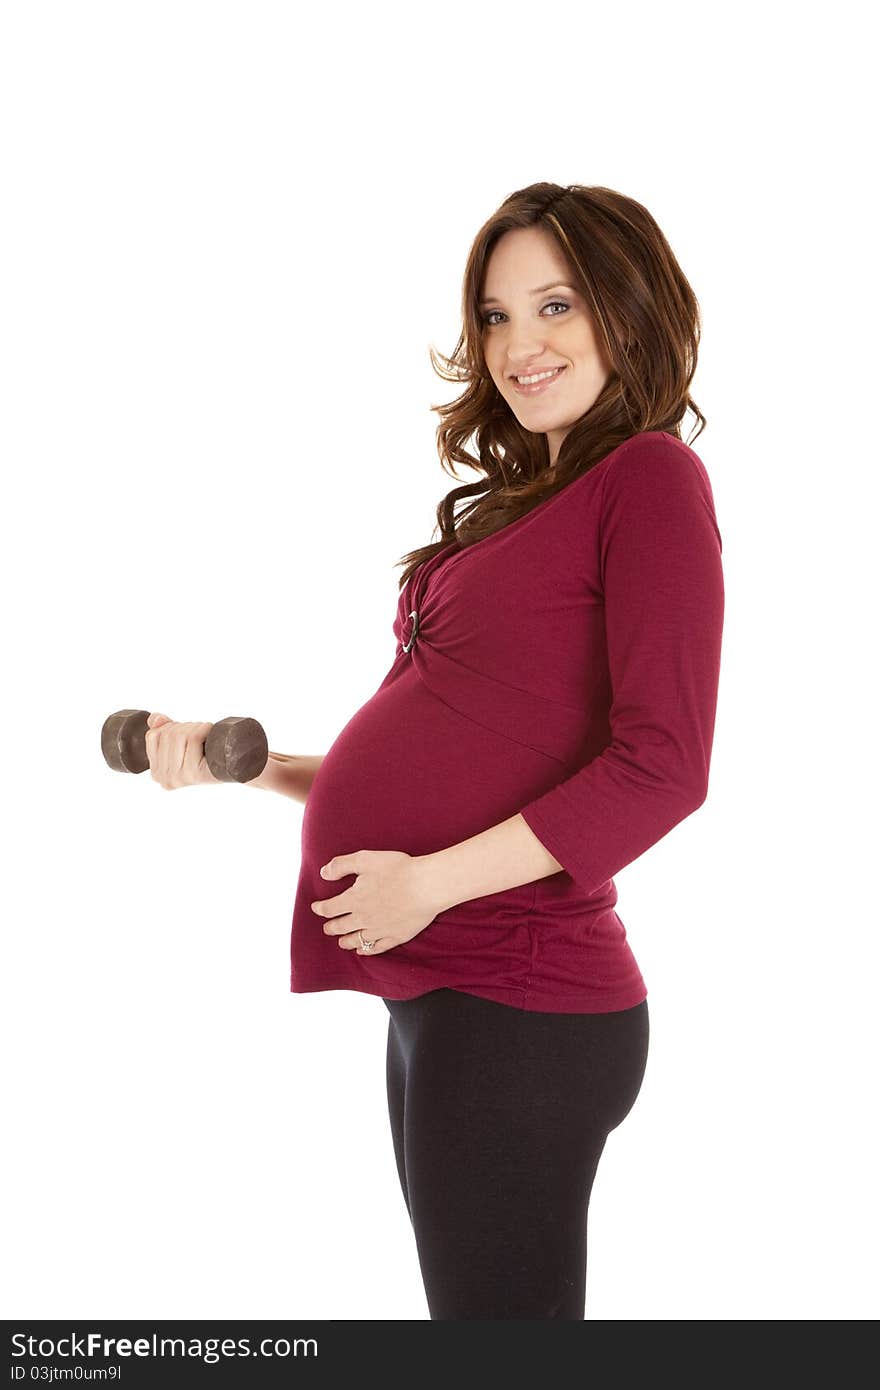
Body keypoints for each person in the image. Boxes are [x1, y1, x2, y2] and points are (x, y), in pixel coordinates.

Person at [146, 182, 725, 1320]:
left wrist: (429, 885)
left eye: (556, 305)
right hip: (443, 990)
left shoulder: (649, 479)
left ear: (629, 310)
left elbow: (665, 765)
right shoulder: (516, 509)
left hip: (521, 992)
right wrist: (244, 762)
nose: (520, 343)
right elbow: (454, 741)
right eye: (497, 315)